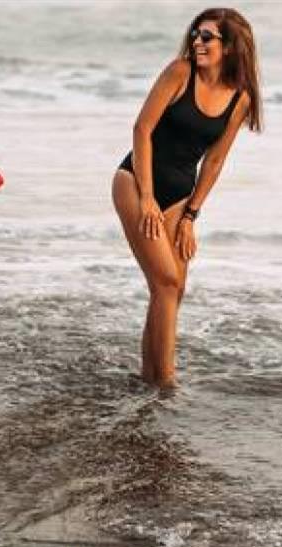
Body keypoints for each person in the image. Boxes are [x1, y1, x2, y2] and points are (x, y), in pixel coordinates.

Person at [112, 7, 263, 387]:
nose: (197, 41)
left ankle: (149, 376)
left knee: (172, 291)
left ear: (230, 47)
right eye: (196, 34)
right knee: (165, 282)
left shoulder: (240, 98)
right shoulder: (180, 72)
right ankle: (167, 384)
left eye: (207, 36)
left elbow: (214, 161)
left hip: (180, 196)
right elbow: (142, 130)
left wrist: (191, 216)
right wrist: (147, 197)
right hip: (136, 182)